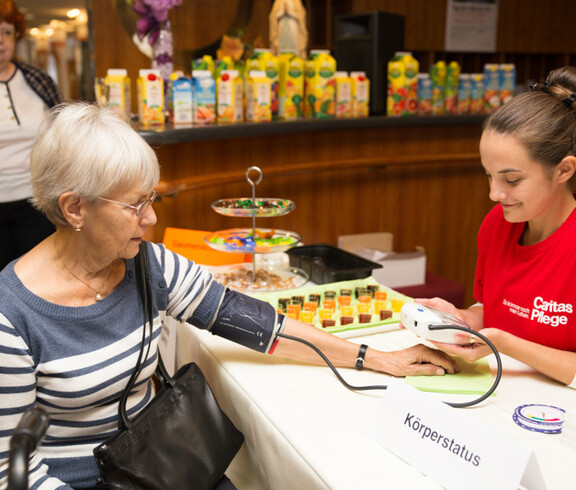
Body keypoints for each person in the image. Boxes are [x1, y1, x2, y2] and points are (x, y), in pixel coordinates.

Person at [0, 102, 458, 489]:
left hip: (161, 463)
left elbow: (261, 325)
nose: (152, 219)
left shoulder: (149, 265)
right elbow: (9, 469)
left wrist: (377, 358)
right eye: (135, 205)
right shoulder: (12, 315)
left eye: (151, 199)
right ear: (74, 207)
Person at [417, 66, 576, 388]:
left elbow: (506, 336)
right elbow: (495, 309)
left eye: (512, 179)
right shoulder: (498, 224)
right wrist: (462, 320)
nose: (494, 194)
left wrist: (502, 343)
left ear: (564, 170)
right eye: (489, 175)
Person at [0, 0, 62, 271]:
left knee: (41, 276)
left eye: (6, 32)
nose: (0, 41)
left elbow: (61, 135)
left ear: (15, 37)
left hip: (36, 202)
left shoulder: (38, 81)